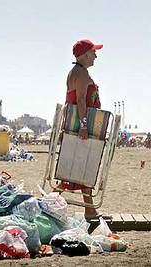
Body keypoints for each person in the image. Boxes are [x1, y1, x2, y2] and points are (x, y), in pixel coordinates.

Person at [62, 39, 111, 221]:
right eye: (93, 52)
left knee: (80, 166)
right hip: (81, 125)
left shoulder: (76, 71)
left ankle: (90, 211)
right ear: (84, 54)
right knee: (81, 166)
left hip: (76, 122)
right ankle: (53, 204)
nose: (96, 56)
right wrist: (83, 125)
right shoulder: (81, 73)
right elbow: (81, 99)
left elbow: (70, 100)